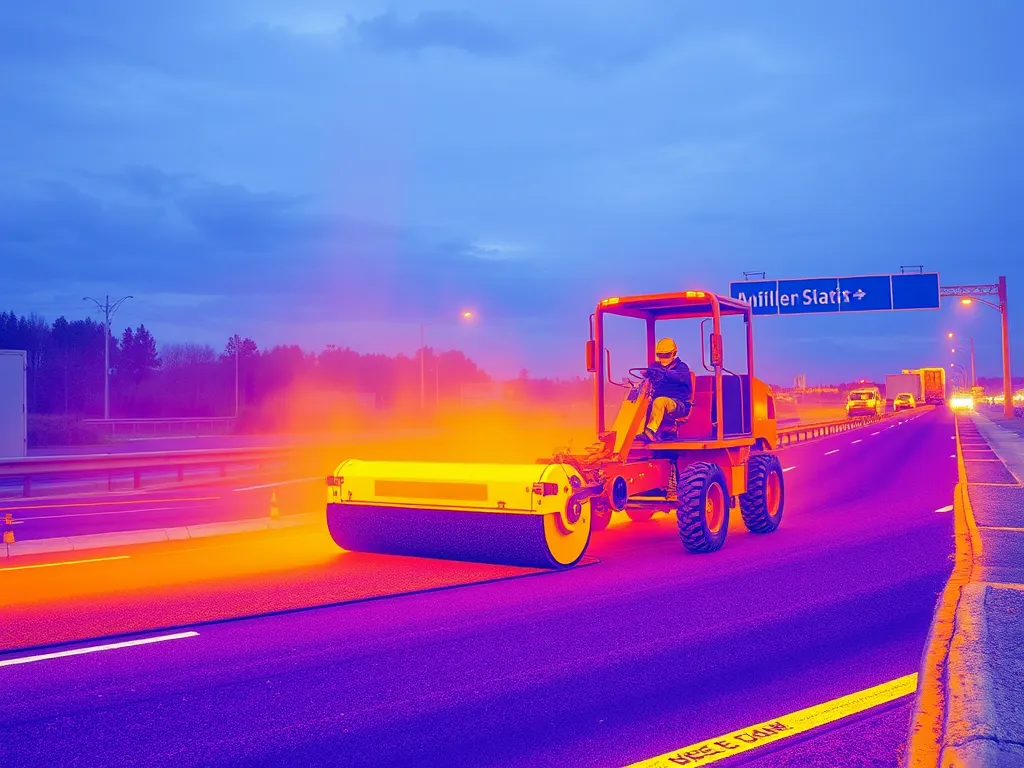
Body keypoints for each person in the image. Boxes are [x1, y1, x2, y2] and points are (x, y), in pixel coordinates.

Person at [641, 337, 693, 442]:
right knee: (641, 402)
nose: (663, 357)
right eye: (660, 355)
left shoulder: (681, 367)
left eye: (666, 355)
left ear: (674, 353)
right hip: (657, 401)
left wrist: (665, 373)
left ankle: (651, 430)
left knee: (660, 401)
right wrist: (647, 374)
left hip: (678, 404)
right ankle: (636, 432)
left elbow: (679, 377)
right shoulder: (654, 367)